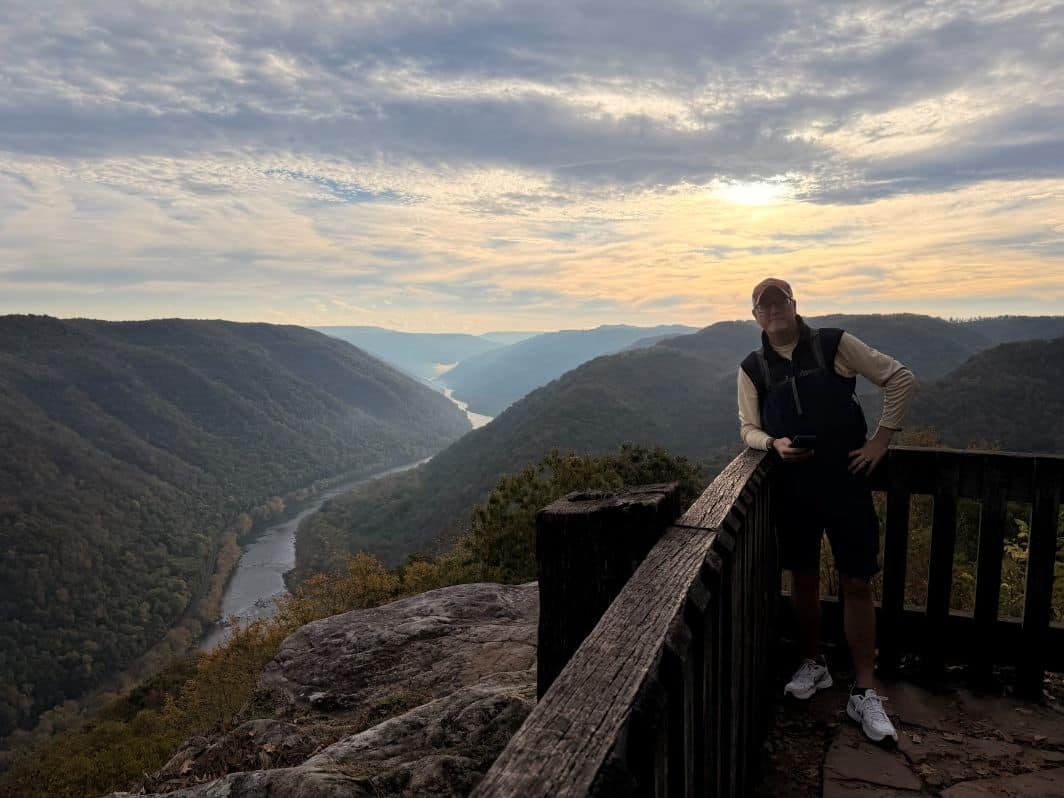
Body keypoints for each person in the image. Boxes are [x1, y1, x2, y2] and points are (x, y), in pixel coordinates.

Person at [736, 277, 916, 743]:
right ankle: (814, 662)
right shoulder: (753, 368)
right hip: (793, 489)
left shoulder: (833, 344)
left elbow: (899, 377)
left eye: (780, 302)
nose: (773, 311)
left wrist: (881, 439)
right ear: (755, 315)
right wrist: (771, 443)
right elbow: (747, 429)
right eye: (764, 305)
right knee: (804, 579)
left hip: (845, 482)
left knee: (857, 581)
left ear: (794, 306)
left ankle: (864, 689)